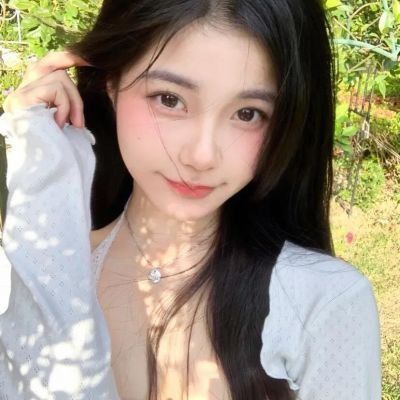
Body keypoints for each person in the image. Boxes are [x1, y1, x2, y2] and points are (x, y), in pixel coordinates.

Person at [0, 0, 381, 399]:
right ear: (111, 82)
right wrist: (37, 148)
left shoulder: (321, 304)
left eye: (248, 113)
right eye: (169, 99)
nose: (202, 156)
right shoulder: (44, 276)